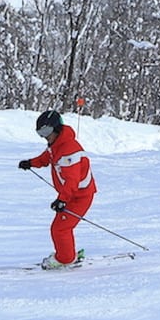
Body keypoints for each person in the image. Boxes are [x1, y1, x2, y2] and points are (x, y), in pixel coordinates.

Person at [18, 110, 96, 269]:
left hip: (80, 196)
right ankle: (68, 254)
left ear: (57, 128)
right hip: (72, 195)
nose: (44, 136)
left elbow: (72, 180)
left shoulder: (69, 150)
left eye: (46, 132)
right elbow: (46, 158)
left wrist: (62, 199)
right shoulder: (57, 145)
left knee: (60, 229)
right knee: (62, 226)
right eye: (40, 133)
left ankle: (65, 259)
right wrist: (31, 163)